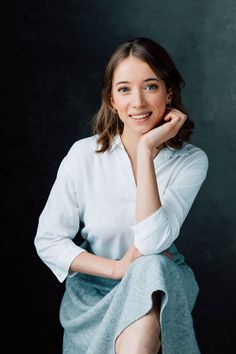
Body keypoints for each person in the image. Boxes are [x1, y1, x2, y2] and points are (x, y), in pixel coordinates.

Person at [34, 37, 209, 354]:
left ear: (169, 92)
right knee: (148, 266)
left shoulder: (191, 160)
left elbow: (152, 242)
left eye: (151, 86)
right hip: (92, 293)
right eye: (125, 89)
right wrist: (116, 269)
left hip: (159, 283)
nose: (138, 102)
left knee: (153, 265)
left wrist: (145, 150)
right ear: (112, 100)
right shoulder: (83, 155)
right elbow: (48, 240)